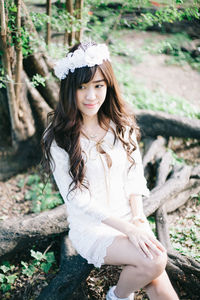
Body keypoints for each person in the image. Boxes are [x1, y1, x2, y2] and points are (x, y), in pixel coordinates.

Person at [41, 42, 179, 300]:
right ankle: (117, 296)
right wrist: (129, 230)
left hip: (129, 217)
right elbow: (77, 199)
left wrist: (137, 219)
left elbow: (134, 175)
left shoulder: (121, 125)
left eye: (98, 85)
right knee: (154, 261)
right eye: (82, 87)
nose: (90, 96)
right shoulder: (58, 137)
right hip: (92, 228)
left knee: (163, 288)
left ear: (108, 85)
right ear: (69, 89)